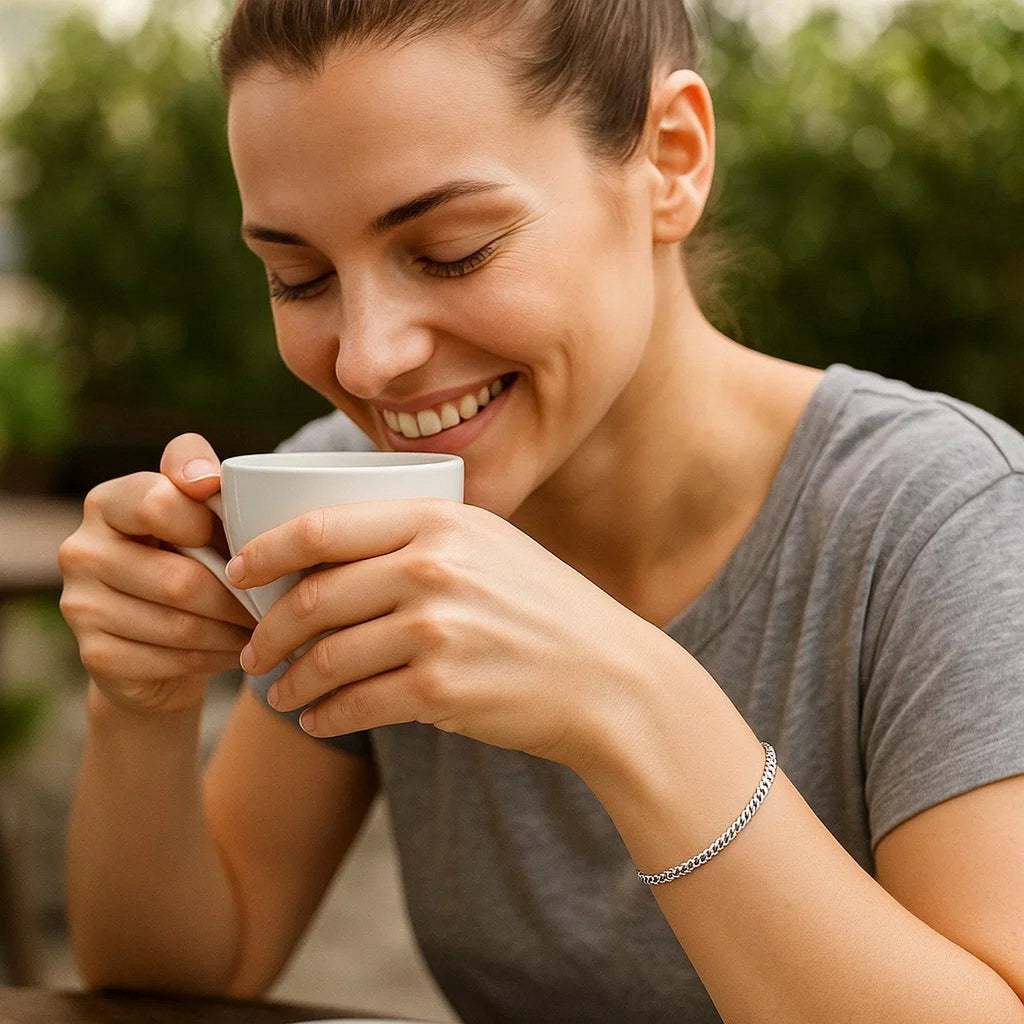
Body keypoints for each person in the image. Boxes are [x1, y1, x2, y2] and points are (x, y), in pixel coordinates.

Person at [57, 1, 1024, 1021]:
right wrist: (140, 707)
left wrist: (632, 706)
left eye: (452, 250)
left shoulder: (941, 520)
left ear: (671, 159)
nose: (365, 358)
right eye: (298, 278)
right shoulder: (352, 501)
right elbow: (190, 971)